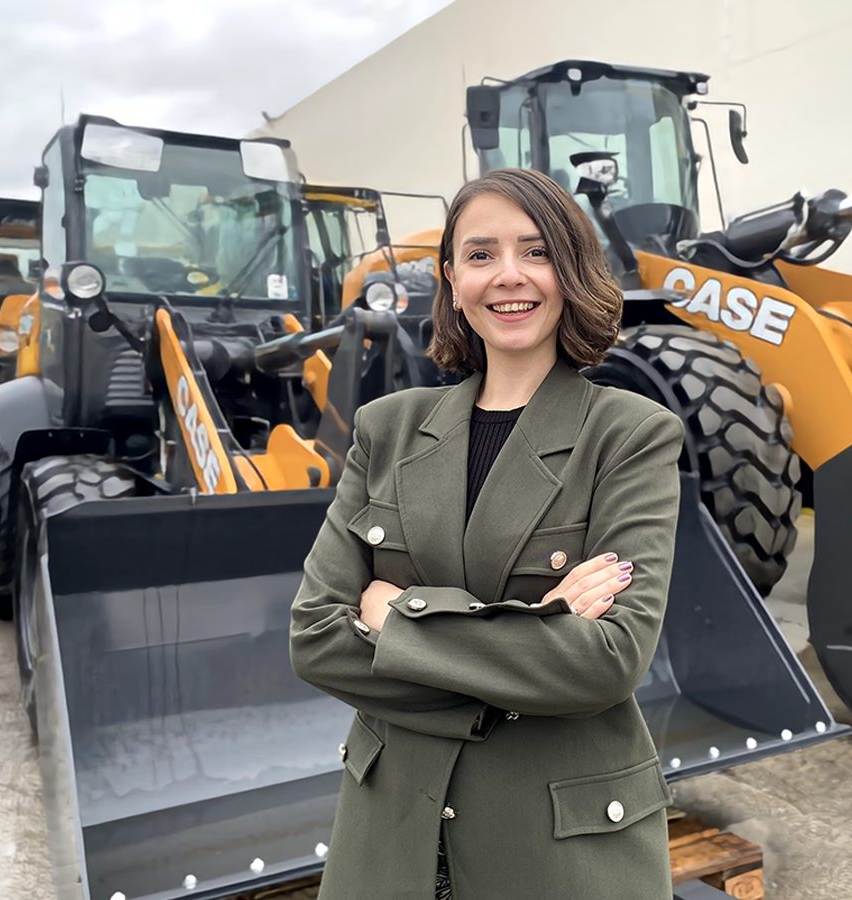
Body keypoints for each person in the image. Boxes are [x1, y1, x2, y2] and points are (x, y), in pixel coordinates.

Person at [288, 167, 685, 899]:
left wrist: (393, 617)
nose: (509, 277)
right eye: (480, 255)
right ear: (450, 278)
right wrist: (537, 629)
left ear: (570, 270)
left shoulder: (629, 436)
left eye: (536, 252)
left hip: (554, 849)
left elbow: (608, 659)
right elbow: (314, 638)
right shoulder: (388, 429)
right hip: (390, 838)